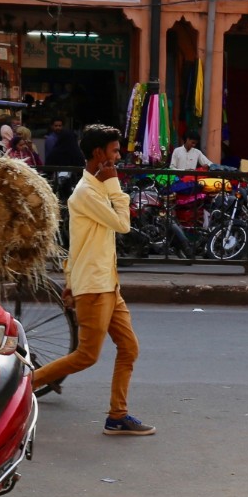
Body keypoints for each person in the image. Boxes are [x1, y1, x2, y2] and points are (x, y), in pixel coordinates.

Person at [33, 123, 153, 437]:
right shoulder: (86, 193)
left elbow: (78, 244)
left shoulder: (94, 189)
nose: (118, 157)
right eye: (114, 151)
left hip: (107, 284)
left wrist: (69, 281)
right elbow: (123, 224)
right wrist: (115, 187)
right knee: (87, 355)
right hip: (95, 288)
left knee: (129, 348)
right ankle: (24, 386)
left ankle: (118, 414)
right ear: (99, 154)